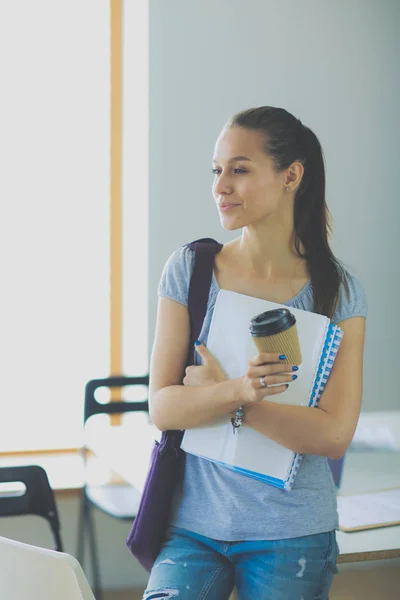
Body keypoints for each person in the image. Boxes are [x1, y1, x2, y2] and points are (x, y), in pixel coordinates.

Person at [143, 106, 367, 600]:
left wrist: (237, 397)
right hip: (191, 526)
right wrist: (239, 388)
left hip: (292, 533)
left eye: (240, 170)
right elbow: (163, 408)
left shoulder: (338, 293)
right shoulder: (190, 270)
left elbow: (333, 435)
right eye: (217, 170)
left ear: (291, 176)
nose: (221, 185)